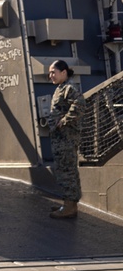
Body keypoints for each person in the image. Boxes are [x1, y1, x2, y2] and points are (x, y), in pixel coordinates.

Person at [47, 60, 86, 219]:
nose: (51, 76)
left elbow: (80, 104)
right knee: (65, 169)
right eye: (49, 73)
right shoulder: (60, 89)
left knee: (67, 171)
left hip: (66, 138)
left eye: (53, 72)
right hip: (60, 138)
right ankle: (69, 203)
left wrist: (64, 120)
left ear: (63, 72)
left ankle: (70, 206)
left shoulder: (69, 88)